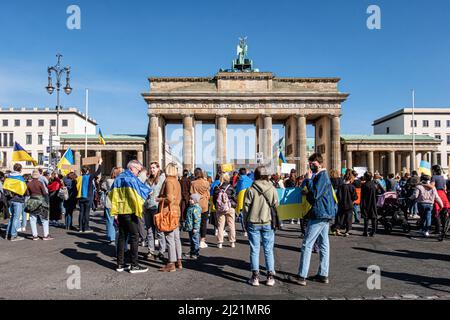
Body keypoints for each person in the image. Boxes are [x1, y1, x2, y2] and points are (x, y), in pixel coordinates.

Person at [289, 153, 336, 286]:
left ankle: (302, 276)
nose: (311, 166)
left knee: (307, 244)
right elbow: (316, 193)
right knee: (323, 245)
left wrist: (309, 180)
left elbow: (315, 195)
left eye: (313, 163)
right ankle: (323, 274)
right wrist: (308, 190)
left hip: (319, 214)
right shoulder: (322, 176)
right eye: (310, 164)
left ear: (320, 163)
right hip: (324, 213)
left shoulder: (322, 176)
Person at [110, 160, 151, 273]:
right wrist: (149, 191)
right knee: (134, 236)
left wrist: (116, 210)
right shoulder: (132, 179)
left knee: (122, 237)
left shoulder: (118, 178)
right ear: (132, 168)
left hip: (121, 211)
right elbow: (140, 193)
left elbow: (111, 194)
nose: (138, 173)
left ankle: (120, 264)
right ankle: (134, 265)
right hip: (130, 211)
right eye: (138, 170)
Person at [242, 166, 278, 287]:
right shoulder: (272, 188)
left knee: (254, 249)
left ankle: (255, 277)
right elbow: (276, 204)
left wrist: (245, 221)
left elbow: (245, 208)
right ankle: (270, 277)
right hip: (267, 221)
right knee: (268, 250)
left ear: (256, 175)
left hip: (253, 222)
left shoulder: (250, 189)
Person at [157, 163, 183, 272]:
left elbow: (169, 198)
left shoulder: (168, 181)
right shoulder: (176, 181)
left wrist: (159, 199)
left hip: (168, 212)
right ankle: (179, 260)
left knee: (169, 238)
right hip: (176, 210)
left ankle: (171, 263)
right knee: (176, 237)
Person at [144, 162, 166, 261]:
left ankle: (161, 251)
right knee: (149, 230)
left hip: (156, 207)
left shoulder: (162, 179)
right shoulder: (147, 179)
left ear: (158, 168)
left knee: (159, 230)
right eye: (151, 168)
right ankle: (151, 251)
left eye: (154, 168)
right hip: (147, 207)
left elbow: (165, 192)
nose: (152, 169)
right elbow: (143, 192)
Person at [77, 159, 103, 233]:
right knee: (87, 213)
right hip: (88, 197)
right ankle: (86, 228)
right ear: (87, 171)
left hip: (80, 196)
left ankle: (80, 228)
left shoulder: (79, 178)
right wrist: (100, 163)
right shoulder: (90, 176)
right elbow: (98, 172)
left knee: (81, 212)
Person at [25, 169, 52, 240]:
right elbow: (45, 193)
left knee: (32, 219)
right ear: (38, 175)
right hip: (41, 201)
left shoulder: (29, 184)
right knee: (44, 218)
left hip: (32, 201)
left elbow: (27, 194)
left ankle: (35, 235)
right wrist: (47, 201)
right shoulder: (40, 183)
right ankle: (46, 235)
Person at [213, 173, 237, 249]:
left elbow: (214, 199)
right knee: (231, 224)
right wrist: (234, 205)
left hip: (220, 209)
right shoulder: (231, 187)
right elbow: (234, 198)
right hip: (230, 207)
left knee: (220, 225)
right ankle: (232, 242)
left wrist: (217, 206)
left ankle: (220, 242)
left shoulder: (217, 188)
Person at [4, 164, 26, 241]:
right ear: (20, 169)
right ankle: (13, 235)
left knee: (12, 217)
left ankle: (8, 234)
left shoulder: (8, 177)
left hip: (10, 199)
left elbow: (5, 188)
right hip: (18, 200)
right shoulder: (20, 178)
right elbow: (23, 190)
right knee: (16, 218)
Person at [190, 168, 210, 249]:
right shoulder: (206, 183)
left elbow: (191, 193)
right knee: (203, 223)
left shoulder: (193, 183)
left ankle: (195, 239)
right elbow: (208, 193)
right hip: (204, 205)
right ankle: (202, 241)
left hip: (196, 204)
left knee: (195, 222)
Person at [103, 167, 123, 244]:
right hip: (117, 204)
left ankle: (111, 237)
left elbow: (103, 186)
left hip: (109, 203)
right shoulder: (120, 182)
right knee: (116, 221)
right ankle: (115, 236)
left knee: (109, 221)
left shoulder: (108, 181)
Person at [335, 170, 357, 236]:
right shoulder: (352, 187)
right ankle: (347, 231)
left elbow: (337, 195)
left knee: (340, 217)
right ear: (350, 179)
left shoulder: (340, 186)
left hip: (341, 204)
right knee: (348, 218)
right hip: (349, 204)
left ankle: (337, 229)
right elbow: (355, 197)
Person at [431, 165, 450, 234]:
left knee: (436, 212)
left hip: (437, 194)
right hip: (443, 194)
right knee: (444, 212)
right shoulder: (442, 177)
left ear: (434, 170)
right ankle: (445, 228)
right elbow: (445, 188)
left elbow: (432, 186)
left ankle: (438, 229)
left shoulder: (434, 177)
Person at [183, 194, 202, 259]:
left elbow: (197, 219)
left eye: (191, 199)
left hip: (194, 228)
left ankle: (196, 252)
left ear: (196, 201)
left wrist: (196, 228)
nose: (189, 200)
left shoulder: (196, 209)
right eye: (190, 199)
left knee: (195, 240)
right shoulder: (190, 207)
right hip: (190, 227)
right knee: (191, 240)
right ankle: (192, 251)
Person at [361, 172, 378, 237]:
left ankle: (365, 231)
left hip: (366, 202)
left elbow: (363, 196)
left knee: (366, 218)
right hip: (373, 202)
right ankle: (373, 231)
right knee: (373, 217)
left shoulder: (364, 185)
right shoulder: (375, 184)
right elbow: (381, 191)